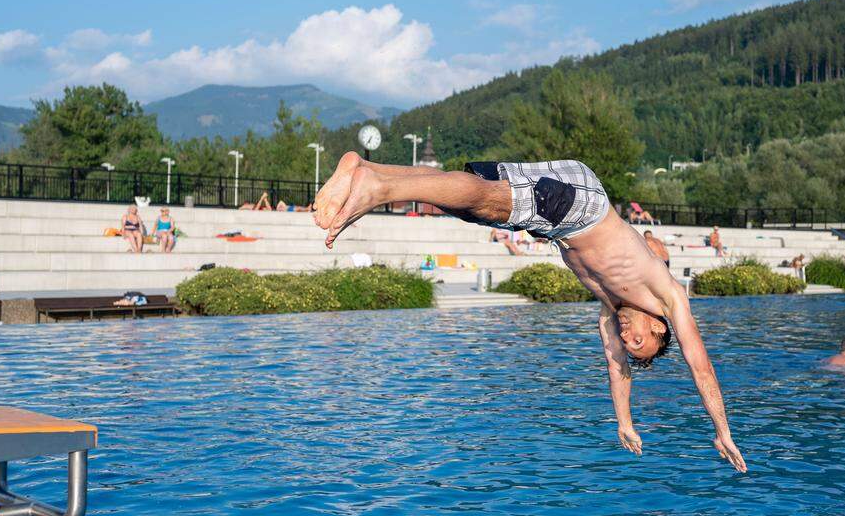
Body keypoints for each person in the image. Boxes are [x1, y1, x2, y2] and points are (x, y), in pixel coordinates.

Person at [314, 153, 747, 472]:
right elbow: (701, 367)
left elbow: (618, 371)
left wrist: (625, 423)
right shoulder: (668, 297)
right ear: (659, 326)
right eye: (642, 343)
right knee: (484, 201)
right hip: (580, 207)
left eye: (633, 347)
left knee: (466, 200)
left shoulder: (608, 309)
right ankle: (378, 190)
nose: (630, 343)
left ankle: (369, 170)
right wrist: (722, 430)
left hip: (563, 205)